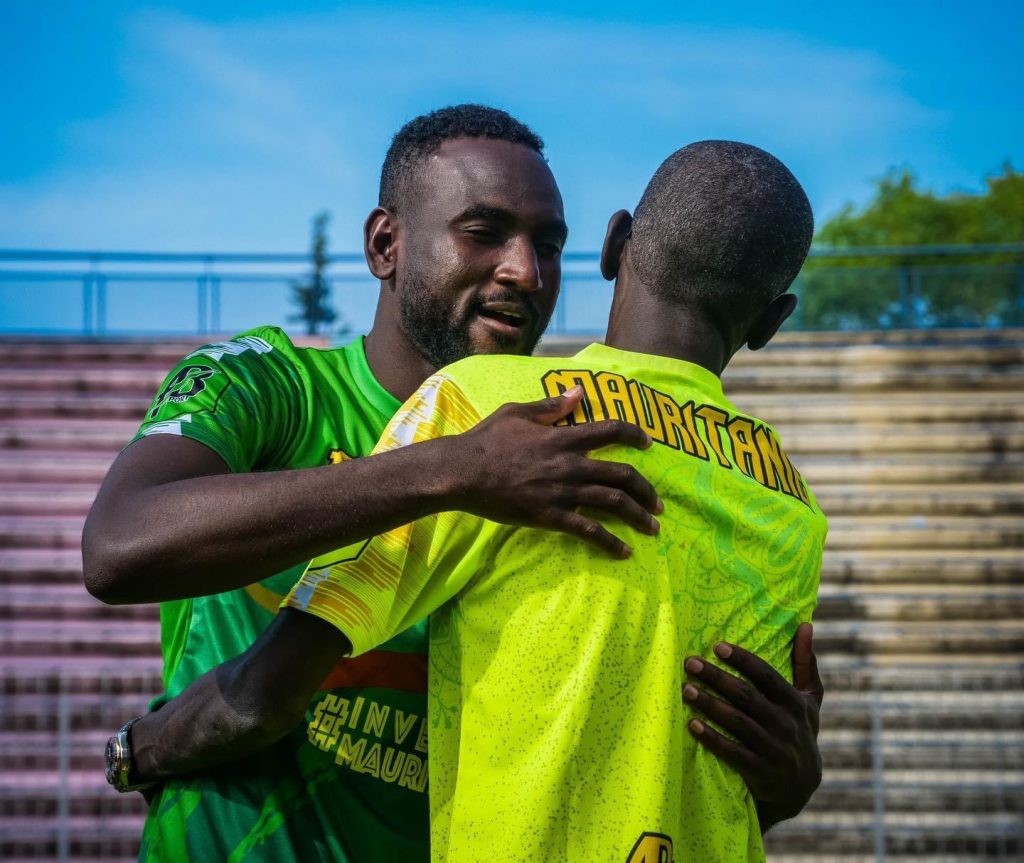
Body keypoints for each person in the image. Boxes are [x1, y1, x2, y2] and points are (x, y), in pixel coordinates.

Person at [86, 108, 821, 860]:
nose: (525, 271)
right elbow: (118, 548)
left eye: (548, 245)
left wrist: (783, 784)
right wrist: (450, 469)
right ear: (385, 244)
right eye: (483, 232)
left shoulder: (570, 439)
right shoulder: (272, 385)